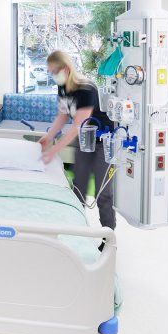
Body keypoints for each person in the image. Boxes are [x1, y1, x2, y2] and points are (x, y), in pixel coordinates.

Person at [38, 50, 116, 229]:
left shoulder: (86, 89)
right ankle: (76, 229)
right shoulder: (63, 87)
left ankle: (108, 234)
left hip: (103, 143)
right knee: (78, 187)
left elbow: (78, 125)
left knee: (103, 193)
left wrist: (53, 151)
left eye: (54, 71)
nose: (52, 75)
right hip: (84, 140)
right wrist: (49, 137)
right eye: (50, 72)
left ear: (65, 68)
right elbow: (63, 116)